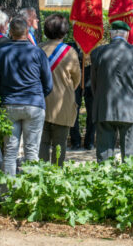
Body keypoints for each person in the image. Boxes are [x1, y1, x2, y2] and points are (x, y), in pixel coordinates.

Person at [0, 17, 53, 175]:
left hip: (10, 104)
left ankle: (8, 192)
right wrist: (38, 97)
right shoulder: (37, 52)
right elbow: (48, 83)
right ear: (27, 31)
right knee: (32, 152)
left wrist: (6, 96)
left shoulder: (2, 52)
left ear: (10, 32)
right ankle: (30, 194)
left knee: (10, 152)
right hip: (34, 104)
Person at [91, 21, 133, 162]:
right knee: (130, 158)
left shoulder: (97, 52)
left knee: (104, 158)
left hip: (105, 107)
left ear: (110, 34)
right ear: (127, 34)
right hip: (131, 109)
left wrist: (101, 98)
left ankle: (104, 184)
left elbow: (94, 84)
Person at [39, 14, 81, 165]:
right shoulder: (70, 52)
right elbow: (76, 79)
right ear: (64, 31)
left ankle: (41, 175)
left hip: (40, 102)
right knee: (60, 144)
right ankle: (56, 176)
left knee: (41, 143)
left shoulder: (38, 48)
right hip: (63, 103)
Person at [68, 45, 95, 150]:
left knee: (92, 113)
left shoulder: (95, 45)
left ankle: (90, 141)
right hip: (75, 83)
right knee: (73, 112)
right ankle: (75, 141)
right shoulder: (71, 47)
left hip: (91, 82)